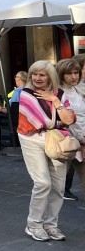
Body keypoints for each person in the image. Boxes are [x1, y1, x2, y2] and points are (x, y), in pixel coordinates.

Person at [17, 60, 76, 242]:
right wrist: (59, 121)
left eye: (42, 74)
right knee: (43, 183)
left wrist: (56, 101)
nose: (37, 78)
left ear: (50, 76)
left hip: (55, 140)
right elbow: (38, 121)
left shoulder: (59, 94)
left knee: (58, 186)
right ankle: (33, 224)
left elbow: (69, 119)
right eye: (34, 74)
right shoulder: (26, 94)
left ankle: (51, 225)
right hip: (32, 139)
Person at [55, 58, 85, 200]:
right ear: (61, 74)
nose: (74, 76)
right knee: (57, 177)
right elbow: (67, 120)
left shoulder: (78, 89)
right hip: (68, 139)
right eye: (69, 73)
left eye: (76, 73)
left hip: (80, 137)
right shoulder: (58, 93)